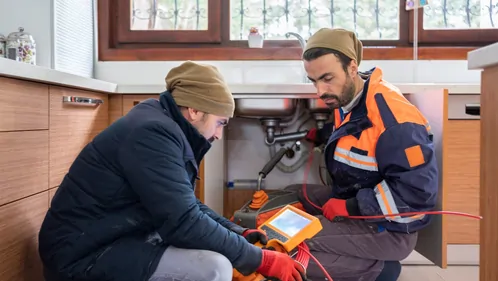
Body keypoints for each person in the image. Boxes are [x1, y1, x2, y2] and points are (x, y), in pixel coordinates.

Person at [38, 61, 304, 281]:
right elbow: (184, 222)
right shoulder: (152, 134)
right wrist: (261, 259)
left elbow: (186, 206)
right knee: (214, 268)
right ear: (195, 110)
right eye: (220, 123)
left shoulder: (161, 125)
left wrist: (238, 233)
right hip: (82, 255)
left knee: (217, 257)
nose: (219, 135)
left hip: (113, 238)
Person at [299, 28, 439, 281]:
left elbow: (416, 196)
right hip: (358, 202)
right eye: (314, 80)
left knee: (288, 245)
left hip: (390, 229)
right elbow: (361, 140)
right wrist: (323, 136)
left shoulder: (396, 122)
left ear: (352, 67)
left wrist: (350, 206)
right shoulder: (349, 97)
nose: (320, 91)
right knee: (294, 193)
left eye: (327, 78)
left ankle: (379, 270)